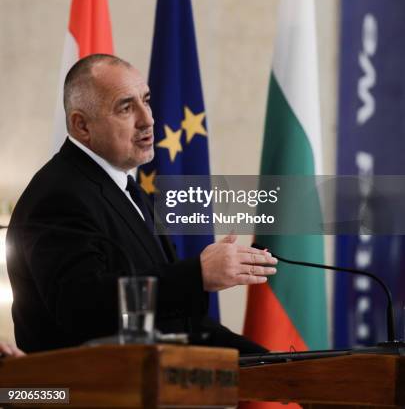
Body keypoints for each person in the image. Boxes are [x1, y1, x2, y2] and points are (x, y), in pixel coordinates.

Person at [6, 54, 277, 353]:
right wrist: (196, 274)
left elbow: (177, 325)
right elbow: (82, 307)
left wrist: (273, 365)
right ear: (82, 126)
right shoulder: (58, 195)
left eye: (146, 101)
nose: (147, 119)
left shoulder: (128, 190)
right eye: (125, 107)